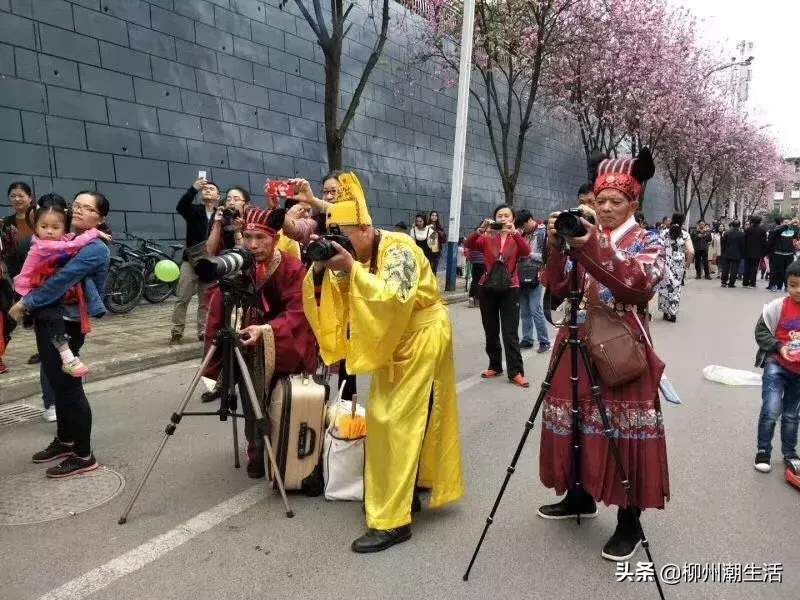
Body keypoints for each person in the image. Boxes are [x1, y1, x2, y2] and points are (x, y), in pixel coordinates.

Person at [302, 172, 463, 553]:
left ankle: (393, 520)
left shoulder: (399, 246)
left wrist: (351, 269)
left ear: (365, 227)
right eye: (334, 237)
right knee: (396, 415)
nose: (343, 244)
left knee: (395, 419)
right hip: (398, 337)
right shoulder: (359, 251)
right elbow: (340, 298)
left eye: (346, 235)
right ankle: (404, 491)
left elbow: (393, 298)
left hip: (422, 335)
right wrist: (328, 269)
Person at [538, 147, 669, 562]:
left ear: (635, 203)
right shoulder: (582, 233)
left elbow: (637, 283)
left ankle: (629, 520)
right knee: (573, 421)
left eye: (617, 201)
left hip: (621, 348)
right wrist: (559, 245)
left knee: (623, 430)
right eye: (600, 201)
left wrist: (589, 242)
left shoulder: (649, 240)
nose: (607, 208)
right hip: (574, 344)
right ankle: (578, 496)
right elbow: (557, 287)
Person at [204, 206, 318, 477]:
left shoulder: (292, 267)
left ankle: (285, 448)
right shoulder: (239, 264)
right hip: (247, 342)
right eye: (248, 237)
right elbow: (218, 307)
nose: (253, 245)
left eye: (260, 238)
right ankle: (256, 450)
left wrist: (267, 329)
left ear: (275, 239)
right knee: (249, 396)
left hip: (281, 342)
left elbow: (299, 311)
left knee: (281, 399)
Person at [9, 191, 110, 478]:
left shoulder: (94, 248)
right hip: (50, 317)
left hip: (67, 321)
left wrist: (24, 303)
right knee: (56, 380)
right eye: (76, 205)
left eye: (87, 208)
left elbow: (60, 281)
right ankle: (66, 441)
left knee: (68, 388)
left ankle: (83, 454)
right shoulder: (68, 239)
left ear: (99, 218)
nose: (78, 210)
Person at [12, 200, 111, 378]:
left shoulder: (90, 247)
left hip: (49, 298)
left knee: (58, 375)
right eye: (77, 206)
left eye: (55, 227)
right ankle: (67, 359)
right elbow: (70, 247)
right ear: (36, 227)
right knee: (52, 325)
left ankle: (67, 361)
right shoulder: (44, 243)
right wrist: (94, 232)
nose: (49, 231)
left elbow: (67, 264)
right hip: (31, 291)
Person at [466, 204, 532, 388]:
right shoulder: (487, 237)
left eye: (506, 216)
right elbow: (470, 245)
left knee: (510, 332)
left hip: (510, 287)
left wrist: (515, 233)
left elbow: (526, 253)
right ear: (495, 218)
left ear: (512, 218)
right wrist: (480, 230)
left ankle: (516, 372)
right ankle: (495, 365)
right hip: (487, 287)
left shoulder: (517, 236)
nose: (503, 219)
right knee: (490, 328)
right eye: (499, 216)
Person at [753, 259, 800, 474]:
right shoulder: (777, 307)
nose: (797, 290)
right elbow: (761, 332)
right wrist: (779, 347)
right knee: (771, 409)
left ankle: (790, 453)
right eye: (793, 285)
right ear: (787, 284)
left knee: (791, 414)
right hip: (777, 365)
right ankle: (763, 450)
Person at [170, 177, 220, 345]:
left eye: (212, 189)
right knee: (182, 297)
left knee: (205, 300)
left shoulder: (220, 215)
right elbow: (180, 206)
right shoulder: (193, 210)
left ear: (218, 197)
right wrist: (194, 188)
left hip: (210, 262)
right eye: (206, 189)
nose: (208, 190)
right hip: (190, 261)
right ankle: (177, 332)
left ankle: (203, 331)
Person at [515, 210, 550, 352]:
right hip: (521, 275)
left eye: (524, 225)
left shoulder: (543, 233)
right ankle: (527, 339)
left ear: (530, 219)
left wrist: (529, 254)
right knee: (524, 311)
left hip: (535, 275)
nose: (523, 229)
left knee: (536, 309)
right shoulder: (523, 234)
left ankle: (544, 341)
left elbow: (546, 257)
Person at [658, 213, 694, 322]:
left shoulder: (664, 233)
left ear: (672, 220)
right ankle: (673, 313)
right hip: (678, 263)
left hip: (665, 261)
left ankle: (665, 312)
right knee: (675, 288)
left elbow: (658, 248)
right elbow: (691, 251)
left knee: (664, 287)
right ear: (683, 221)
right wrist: (687, 264)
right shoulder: (685, 234)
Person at [768, 218, 796, 292]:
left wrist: (796, 226)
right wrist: (786, 225)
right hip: (778, 254)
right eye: (785, 222)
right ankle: (773, 285)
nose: (787, 223)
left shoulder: (792, 230)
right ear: (782, 223)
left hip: (789, 254)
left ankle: (786, 286)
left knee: (788, 271)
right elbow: (776, 233)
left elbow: (796, 236)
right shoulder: (777, 230)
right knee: (777, 271)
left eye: (788, 222)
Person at [743, 215, 768, 288]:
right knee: (754, 267)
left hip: (747, 252)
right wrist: (764, 253)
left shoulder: (747, 230)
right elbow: (764, 243)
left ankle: (745, 282)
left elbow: (744, 241)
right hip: (758, 253)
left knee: (747, 267)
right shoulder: (762, 231)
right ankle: (752, 283)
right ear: (760, 222)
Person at [720, 221, 745, 288]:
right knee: (734, 269)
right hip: (737, 253)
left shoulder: (726, 233)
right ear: (739, 225)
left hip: (727, 252)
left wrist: (723, 252)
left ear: (732, 225)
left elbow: (723, 244)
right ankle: (731, 283)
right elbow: (742, 245)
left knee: (725, 268)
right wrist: (742, 254)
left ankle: (724, 282)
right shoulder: (742, 234)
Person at [466, 226, 484, 308]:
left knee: (481, 282)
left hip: (484, 264)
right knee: (475, 281)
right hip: (476, 263)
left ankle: (477, 298)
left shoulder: (484, 238)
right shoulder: (473, 240)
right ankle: (471, 298)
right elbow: (467, 248)